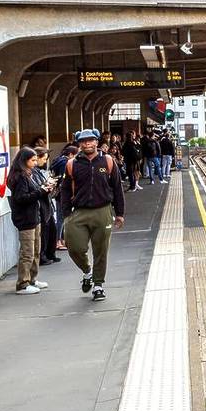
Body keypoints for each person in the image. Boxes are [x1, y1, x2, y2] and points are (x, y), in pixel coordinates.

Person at [60, 129, 126, 301]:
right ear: (79, 144)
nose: (87, 144)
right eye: (83, 141)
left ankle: (98, 285)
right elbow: (65, 191)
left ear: (97, 142)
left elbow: (117, 188)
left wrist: (119, 213)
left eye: (90, 141)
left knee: (101, 250)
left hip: (103, 211)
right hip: (78, 212)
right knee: (75, 247)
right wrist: (66, 215)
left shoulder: (108, 161)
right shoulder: (72, 164)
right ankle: (87, 271)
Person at [8, 147, 53, 294]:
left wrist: (43, 189)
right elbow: (21, 198)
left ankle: (32, 279)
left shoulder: (29, 174)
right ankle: (22, 283)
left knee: (36, 251)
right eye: (32, 160)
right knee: (27, 252)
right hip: (25, 219)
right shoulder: (20, 176)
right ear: (24, 160)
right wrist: (41, 191)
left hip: (34, 217)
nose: (35, 163)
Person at [33, 148, 60, 266]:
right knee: (44, 232)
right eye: (43, 159)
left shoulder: (38, 171)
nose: (44, 162)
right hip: (41, 205)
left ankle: (50, 253)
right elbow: (37, 188)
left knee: (51, 230)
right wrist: (46, 186)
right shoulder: (32, 172)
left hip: (47, 203)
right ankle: (44, 255)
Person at [50, 145, 78, 250]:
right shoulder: (65, 163)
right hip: (63, 194)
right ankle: (58, 241)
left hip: (60, 194)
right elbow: (65, 180)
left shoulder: (59, 161)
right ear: (70, 154)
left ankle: (61, 240)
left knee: (62, 217)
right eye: (76, 155)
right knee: (62, 218)